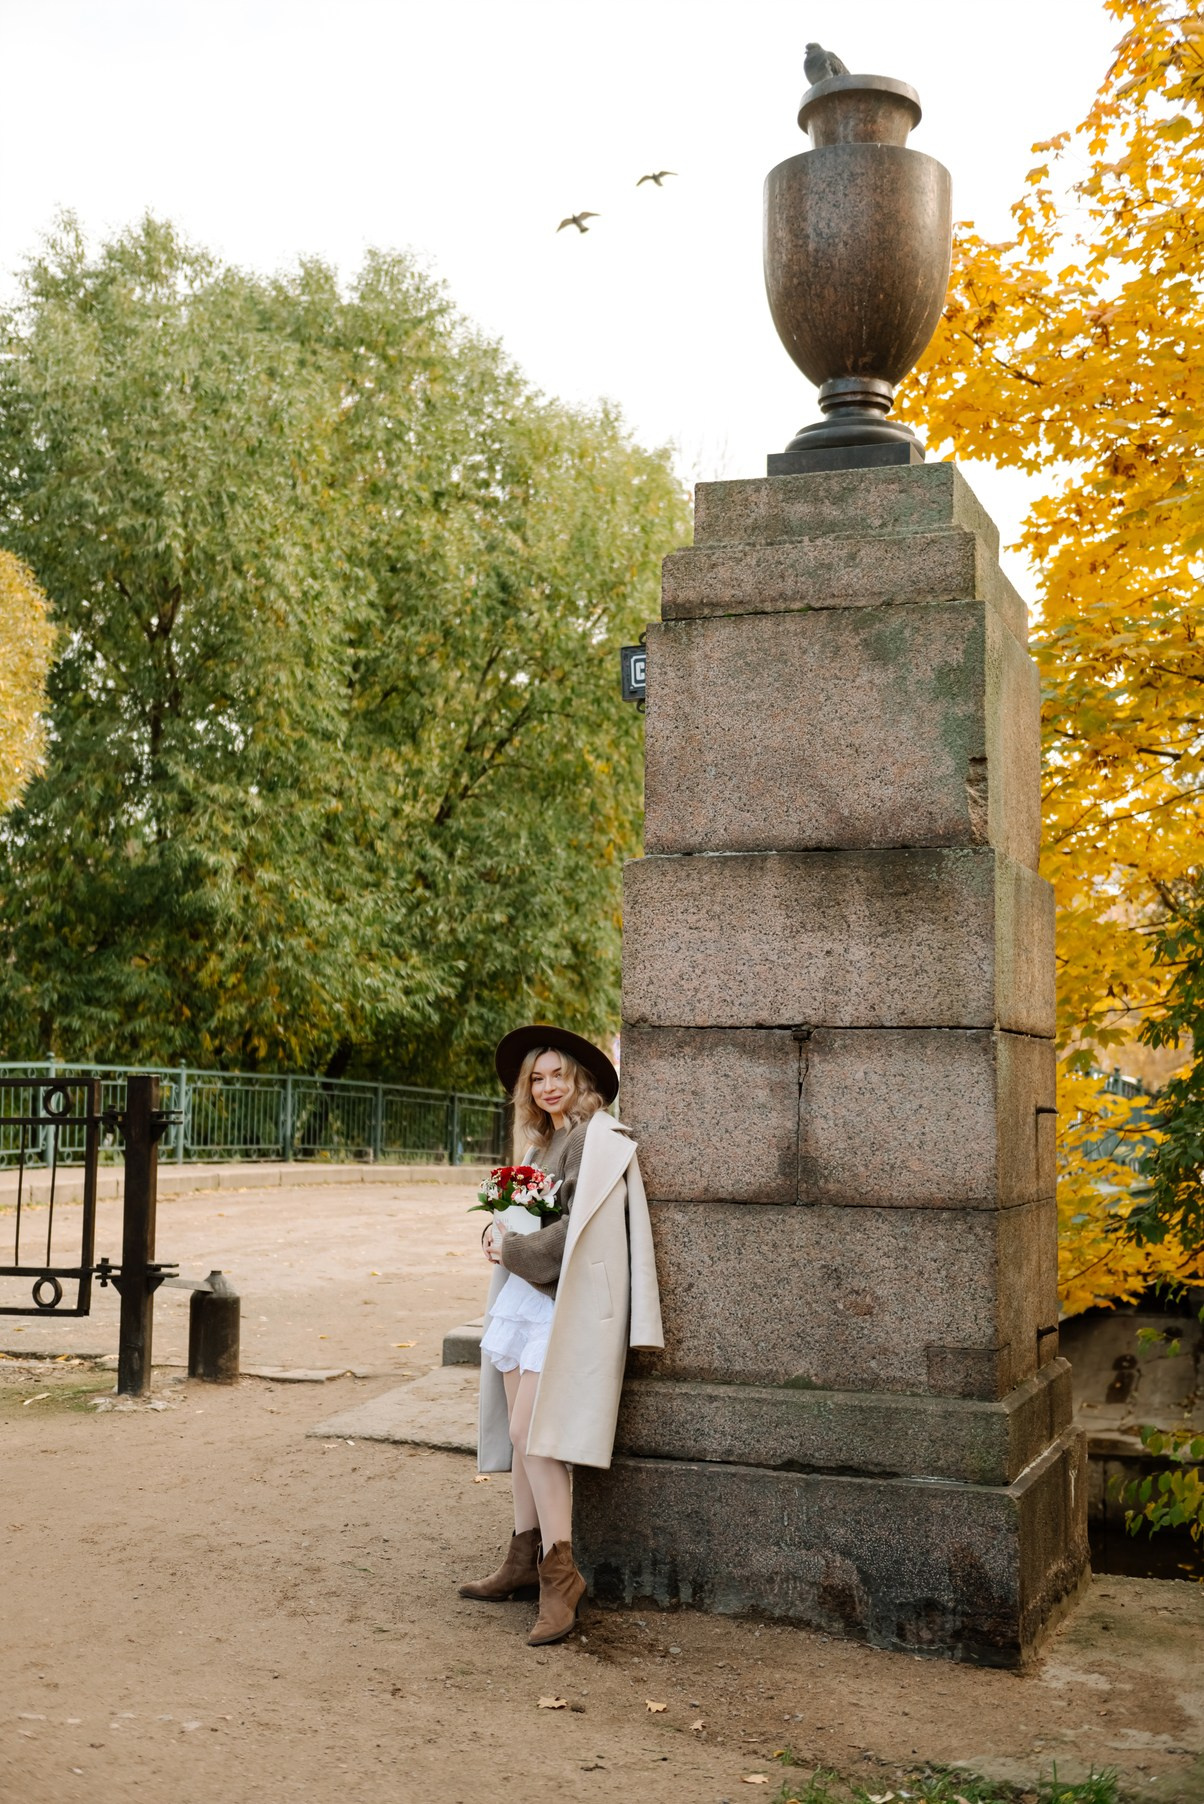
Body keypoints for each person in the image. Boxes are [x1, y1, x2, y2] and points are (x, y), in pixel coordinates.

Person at [457, 1024, 662, 1646]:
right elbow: (527, 1217)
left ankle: (561, 1574)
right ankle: (523, 1557)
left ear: (581, 1080)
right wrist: (495, 1234)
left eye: (558, 1076)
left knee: (533, 1433)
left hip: (562, 1303)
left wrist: (514, 1248)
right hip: (526, 1300)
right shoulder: (542, 1142)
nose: (548, 1087)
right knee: (521, 1437)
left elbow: (577, 1227)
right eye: (537, 1079)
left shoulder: (592, 1139)